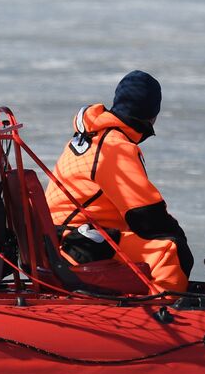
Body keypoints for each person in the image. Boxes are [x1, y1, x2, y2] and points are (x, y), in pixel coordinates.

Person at [45, 70, 193, 293]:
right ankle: (166, 309)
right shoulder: (115, 146)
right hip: (79, 243)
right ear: (153, 115)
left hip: (61, 237)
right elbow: (145, 216)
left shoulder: (93, 135)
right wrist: (176, 234)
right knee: (171, 250)